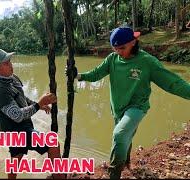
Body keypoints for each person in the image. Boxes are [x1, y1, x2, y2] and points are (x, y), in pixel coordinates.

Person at [66, 27, 190, 179]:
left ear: (133, 42)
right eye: (115, 49)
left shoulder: (147, 62)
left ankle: (114, 173)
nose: (119, 52)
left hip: (137, 107)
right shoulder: (112, 59)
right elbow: (96, 74)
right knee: (126, 135)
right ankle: (126, 162)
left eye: (122, 48)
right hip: (117, 108)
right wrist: (78, 76)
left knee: (120, 134)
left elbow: (172, 83)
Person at [0, 48, 65, 179]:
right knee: (53, 144)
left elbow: (21, 98)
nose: (11, 65)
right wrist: (38, 104)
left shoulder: (11, 78)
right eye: (6, 63)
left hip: (21, 129)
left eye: (9, 61)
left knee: (16, 159)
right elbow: (17, 116)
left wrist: (38, 105)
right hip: (15, 132)